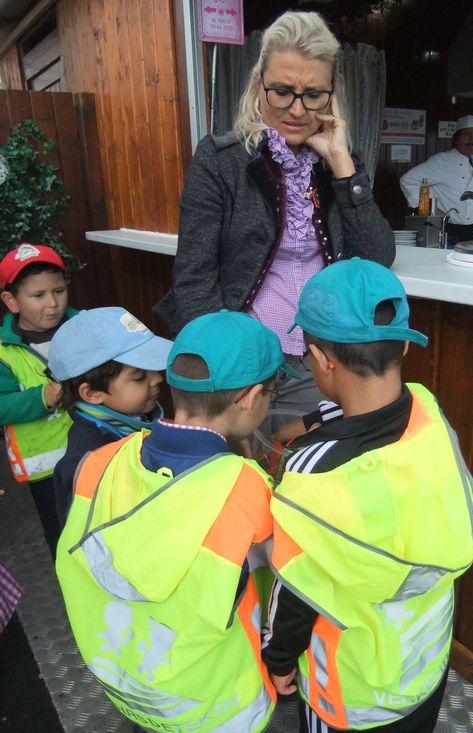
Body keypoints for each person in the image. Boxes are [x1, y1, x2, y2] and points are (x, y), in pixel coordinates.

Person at [262, 258, 473, 733]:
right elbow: (364, 416)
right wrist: (308, 424)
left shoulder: (313, 474)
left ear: (321, 359)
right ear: (403, 344)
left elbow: (296, 590)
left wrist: (278, 658)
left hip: (350, 693)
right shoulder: (428, 412)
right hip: (423, 668)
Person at [55, 310, 300, 733]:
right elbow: (290, 588)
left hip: (130, 683)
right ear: (249, 397)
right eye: (272, 393)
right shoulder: (245, 489)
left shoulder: (99, 461)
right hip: (217, 703)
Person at [155, 10, 394, 418]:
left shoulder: (339, 164)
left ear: (332, 95)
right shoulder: (221, 160)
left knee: (307, 471)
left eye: (314, 94)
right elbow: (194, 276)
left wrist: (341, 165)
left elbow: (376, 258)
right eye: (282, 91)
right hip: (241, 360)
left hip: (320, 361)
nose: (297, 110)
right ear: (258, 86)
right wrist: (229, 363)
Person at [47, 307, 173, 528]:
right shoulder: (89, 462)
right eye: (140, 377)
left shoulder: (139, 417)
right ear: (93, 393)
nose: (157, 379)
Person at [0, 243, 76, 556]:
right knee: (65, 538)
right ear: (11, 301)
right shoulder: (4, 352)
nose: (52, 303)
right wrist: (41, 398)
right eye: (38, 295)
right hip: (48, 472)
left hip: (100, 454)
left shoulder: (83, 328)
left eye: (58, 291)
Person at [399, 115, 473, 245]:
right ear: (456, 139)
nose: (471, 139)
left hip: (471, 230)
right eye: (466, 134)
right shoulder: (442, 161)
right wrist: (428, 208)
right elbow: (407, 180)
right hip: (447, 229)